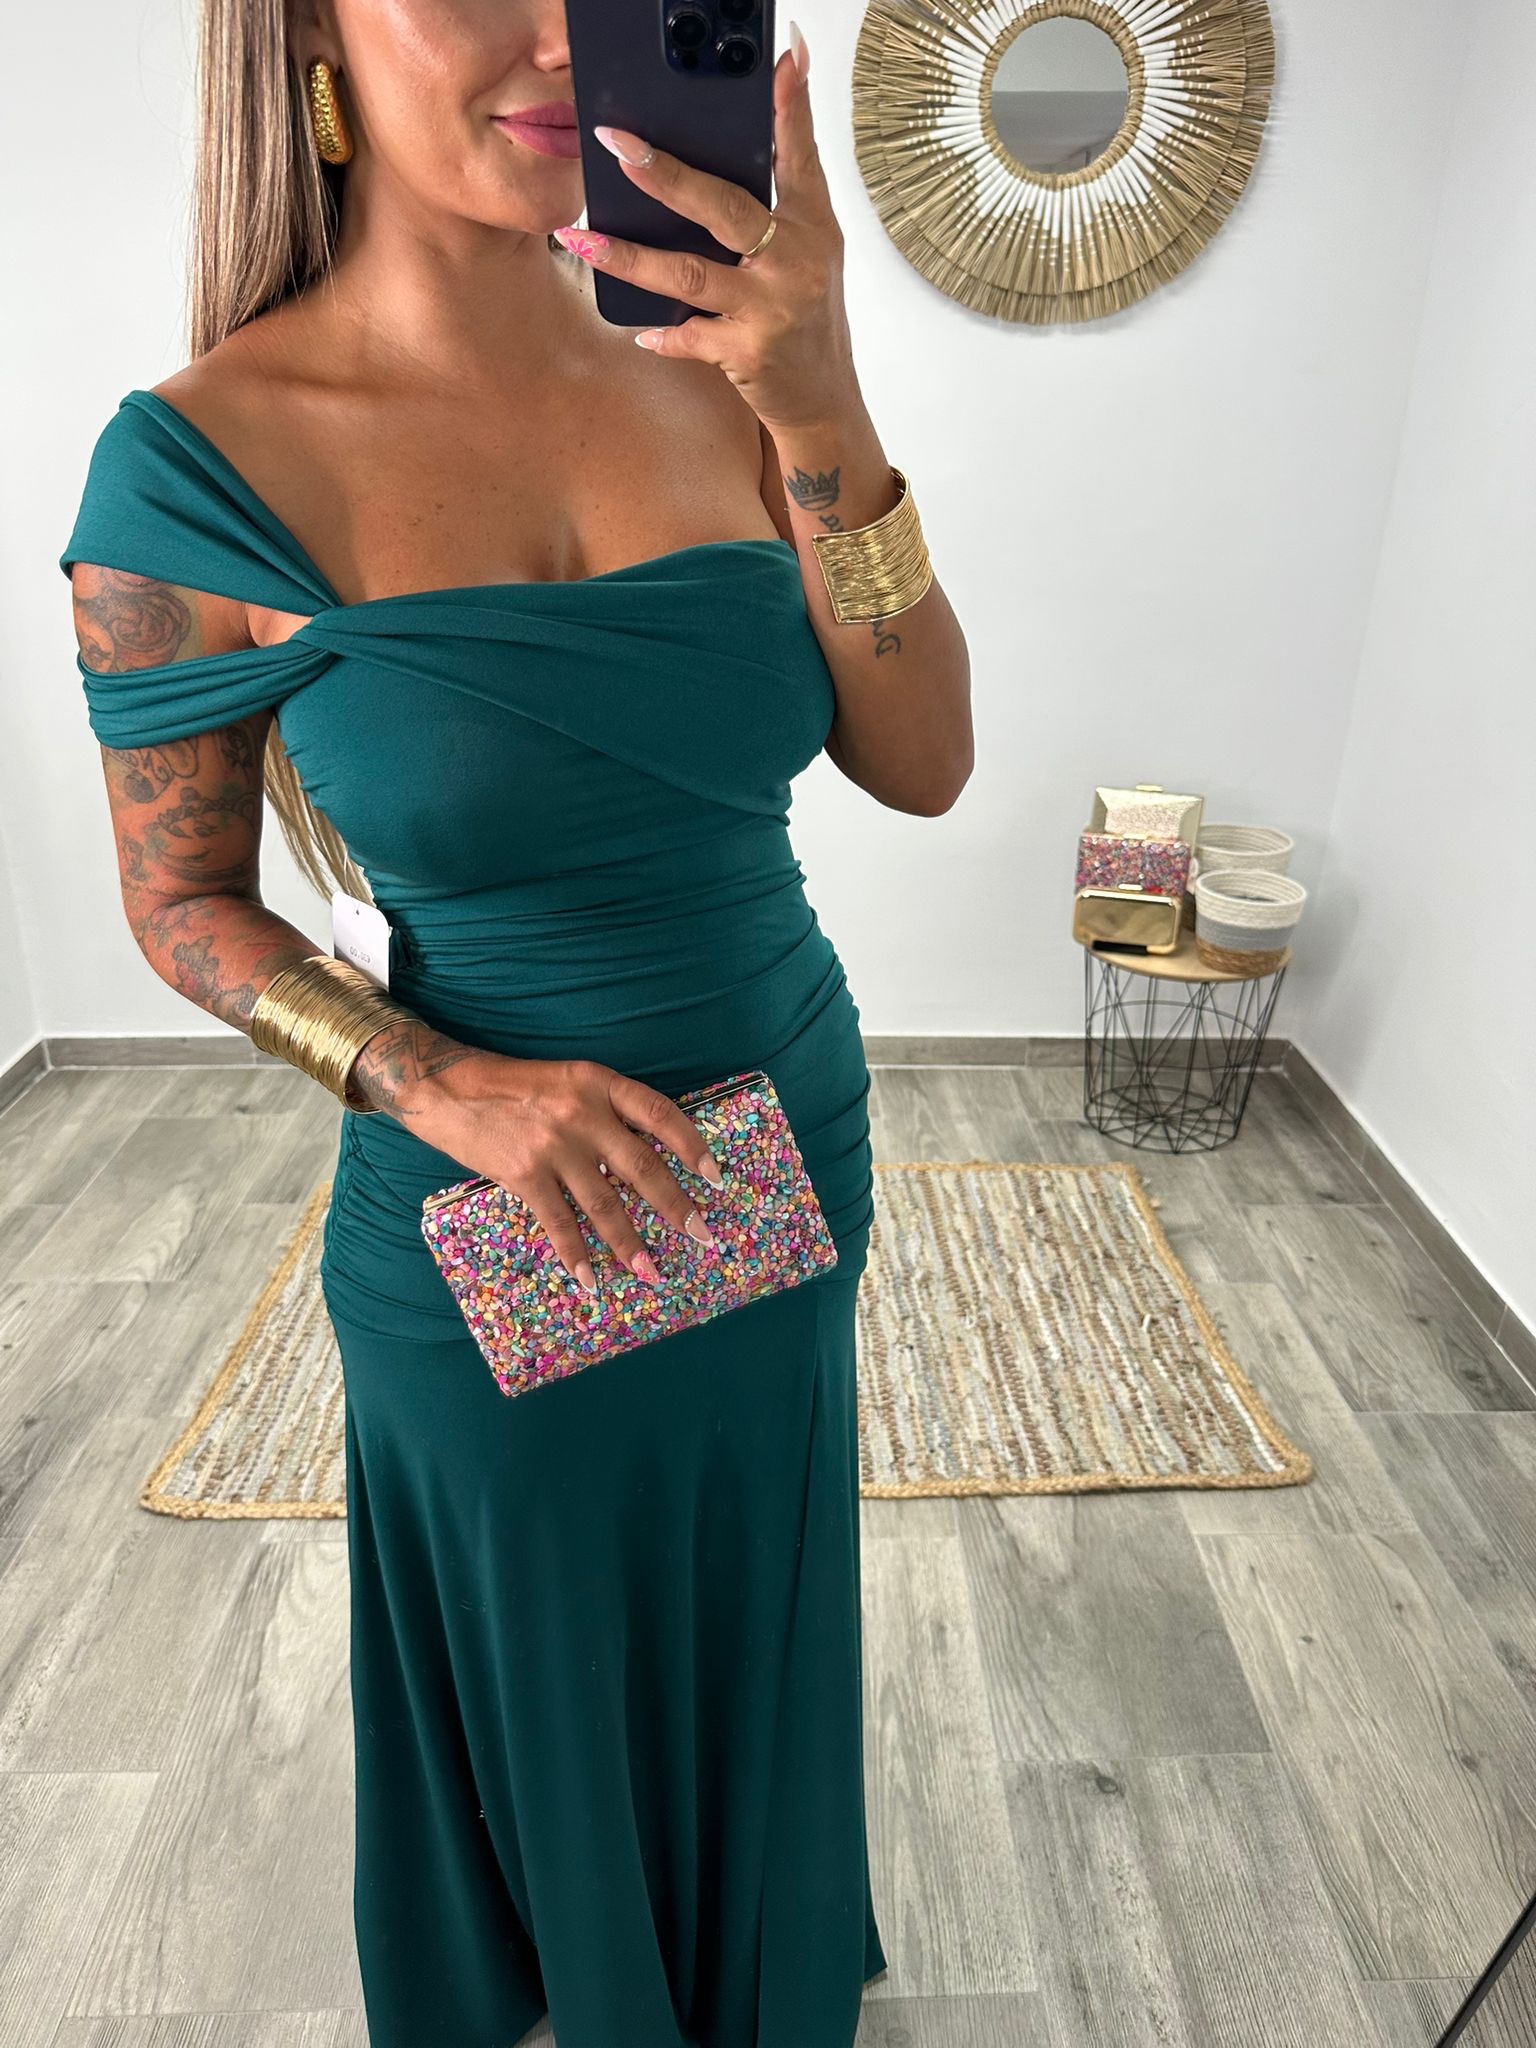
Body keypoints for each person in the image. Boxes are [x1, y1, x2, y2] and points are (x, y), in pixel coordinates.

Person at [60, 5, 973, 2044]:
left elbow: (923, 760)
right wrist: (436, 1078)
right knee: (535, 1641)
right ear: (305, 35)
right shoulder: (197, 468)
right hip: (489, 1217)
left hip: (785, 1150)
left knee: (753, 1590)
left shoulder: (716, 352)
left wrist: (822, 393)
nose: (560, 24)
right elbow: (181, 902)